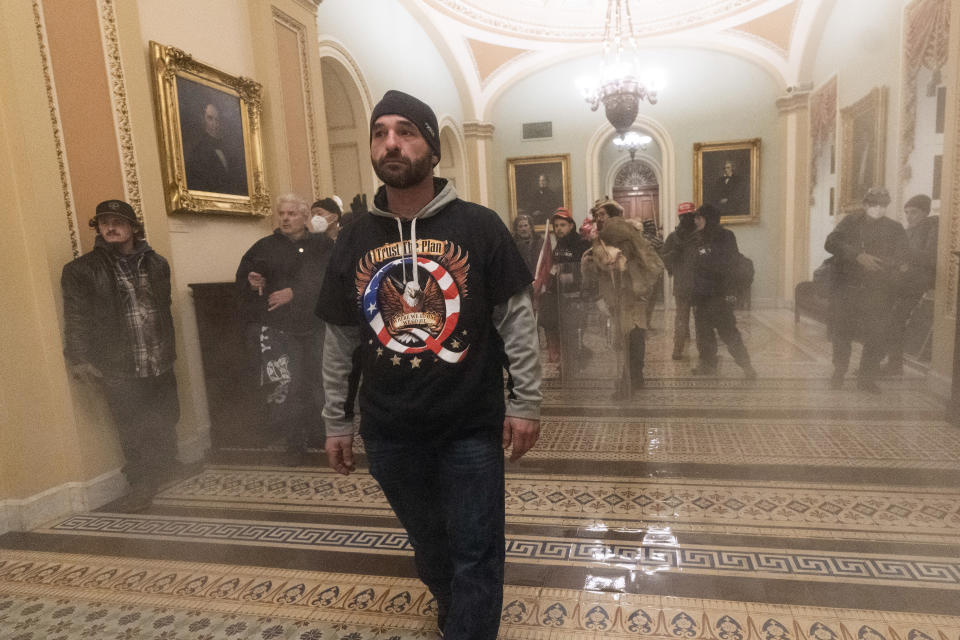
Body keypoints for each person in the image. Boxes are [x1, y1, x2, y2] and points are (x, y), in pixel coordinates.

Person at [316, 90, 541, 639]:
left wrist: (526, 401)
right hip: (390, 430)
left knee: (476, 548)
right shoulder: (354, 238)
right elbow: (341, 337)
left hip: (469, 424)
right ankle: (456, 606)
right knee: (431, 544)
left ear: (432, 149)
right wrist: (336, 421)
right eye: (379, 132)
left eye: (406, 131)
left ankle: (468, 624)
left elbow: (517, 320)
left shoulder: (480, 226)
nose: (390, 142)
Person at [61, 199, 180, 512]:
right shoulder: (80, 271)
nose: (110, 227)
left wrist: (169, 351)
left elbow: (163, 309)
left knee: (166, 418)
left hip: (159, 359)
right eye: (104, 222)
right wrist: (79, 358)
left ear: (133, 227)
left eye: (118, 221)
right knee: (131, 428)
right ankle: (140, 483)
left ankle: (165, 468)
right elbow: (76, 317)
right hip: (119, 365)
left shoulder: (157, 263)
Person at [236, 193, 334, 465]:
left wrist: (295, 293)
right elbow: (247, 277)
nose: (286, 218)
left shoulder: (322, 245)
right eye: (282, 214)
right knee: (288, 383)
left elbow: (330, 278)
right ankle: (293, 441)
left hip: (315, 325)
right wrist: (252, 280)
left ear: (305, 217)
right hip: (280, 329)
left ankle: (318, 432)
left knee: (317, 382)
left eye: (292, 213)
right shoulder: (264, 247)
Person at [825, 187, 909, 392]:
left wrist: (883, 263)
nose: (878, 209)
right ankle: (839, 370)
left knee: (876, 334)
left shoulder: (895, 228)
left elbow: (903, 256)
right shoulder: (850, 222)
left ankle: (866, 377)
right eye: (873, 204)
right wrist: (857, 256)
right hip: (848, 287)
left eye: (883, 205)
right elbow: (831, 242)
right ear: (865, 204)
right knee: (842, 332)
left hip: (878, 291)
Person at [581, 199, 663, 398]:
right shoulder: (627, 230)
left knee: (626, 338)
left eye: (602, 215)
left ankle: (627, 382)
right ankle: (636, 377)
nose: (599, 219)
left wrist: (593, 251)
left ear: (613, 215)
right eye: (597, 215)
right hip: (634, 292)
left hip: (626, 293)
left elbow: (611, 262)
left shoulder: (614, 230)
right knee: (635, 335)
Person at [689, 204, 756, 379]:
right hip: (702, 295)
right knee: (704, 334)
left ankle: (746, 366)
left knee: (729, 333)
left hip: (719, 295)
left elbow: (728, 264)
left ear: (708, 218)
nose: (696, 221)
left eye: (699, 217)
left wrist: (706, 263)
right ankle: (708, 365)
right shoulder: (696, 238)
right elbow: (693, 266)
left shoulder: (725, 236)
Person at [881, 193, 939, 372]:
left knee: (894, 319)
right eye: (906, 212)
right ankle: (884, 362)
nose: (908, 216)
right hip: (903, 280)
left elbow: (930, 258)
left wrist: (904, 253)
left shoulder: (932, 227)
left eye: (913, 212)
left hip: (918, 283)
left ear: (925, 212)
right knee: (884, 315)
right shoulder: (907, 230)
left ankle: (892, 364)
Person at [538, 207, 589, 366]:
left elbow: (585, 270)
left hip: (576, 296)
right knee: (561, 331)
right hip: (559, 295)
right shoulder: (559, 244)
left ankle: (574, 363)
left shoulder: (581, 243)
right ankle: (567, 364)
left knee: (574, 331)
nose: (559, 229)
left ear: (571, 225)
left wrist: (568, 277)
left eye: (562, 225)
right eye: (556, 226)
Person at [660, 202, 699, 360]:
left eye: (688, 216)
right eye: (684, 217)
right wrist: (674, 256)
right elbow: (663, 258)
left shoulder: (700, 236)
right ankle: (678, 349)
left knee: (691, 319)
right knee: (685, 319)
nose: (686, 219)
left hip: (695, 285)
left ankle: (684, 350)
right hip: (687, 284)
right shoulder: (674, 237)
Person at [185, 102, 247, 195]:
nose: (214, 123)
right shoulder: (198, 151)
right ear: (202, 120)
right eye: (210, 118)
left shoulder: (227, 148)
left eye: (217, 120)